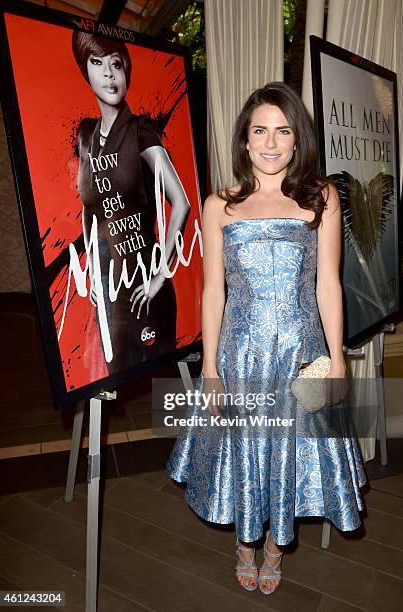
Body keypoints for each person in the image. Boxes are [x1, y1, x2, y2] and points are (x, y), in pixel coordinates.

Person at [166, 82, 366, 595]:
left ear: (298, 140)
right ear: (245, 139)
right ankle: (245, 543)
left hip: (301, 355)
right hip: (242, 354)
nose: (271, 143)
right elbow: (213, 292)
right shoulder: (218, 206)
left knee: (291, 452)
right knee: (247, 450)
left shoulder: (322, 198)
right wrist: (210, 369)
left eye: (283, 131)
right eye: (260, 131)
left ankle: (276, 545)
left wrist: (337, 362)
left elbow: (328, 285)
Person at [72, 32, 190, 374]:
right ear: (87, 72)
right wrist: (94, 270)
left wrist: (159, 276)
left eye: (116, 65)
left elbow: (180, 202)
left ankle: (192, 428)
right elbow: (88, 210)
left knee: (161, 382)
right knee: (113, 373)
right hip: (108, 282)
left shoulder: (142, 131)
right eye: (98, 64)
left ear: (127, 74)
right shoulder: (86, 136)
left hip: (142, 280)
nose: (109, 74)